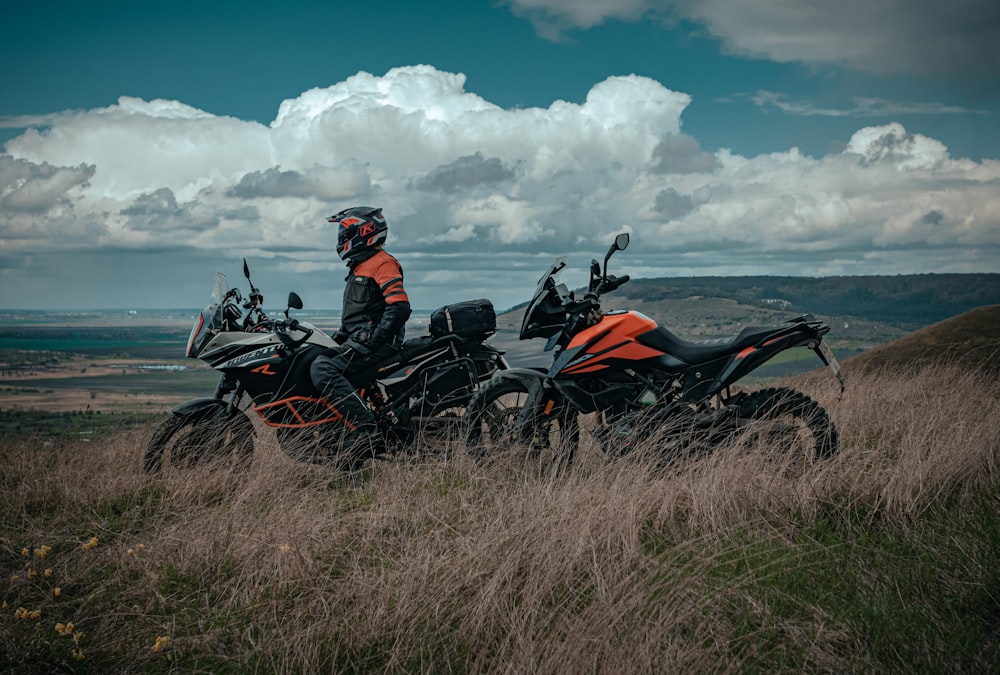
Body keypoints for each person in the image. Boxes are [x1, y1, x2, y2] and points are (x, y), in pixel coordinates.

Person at [310, 206, 411, 457]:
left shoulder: (381, 262)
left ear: (363, 231)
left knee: (322, 369)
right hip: (361, 341)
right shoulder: (360, 265)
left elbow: (399, 307)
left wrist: (374, 341)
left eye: (345, 231)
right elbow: (359, 316)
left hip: (379, 345)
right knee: (312, 356)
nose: (341, 237)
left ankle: (365, 428)